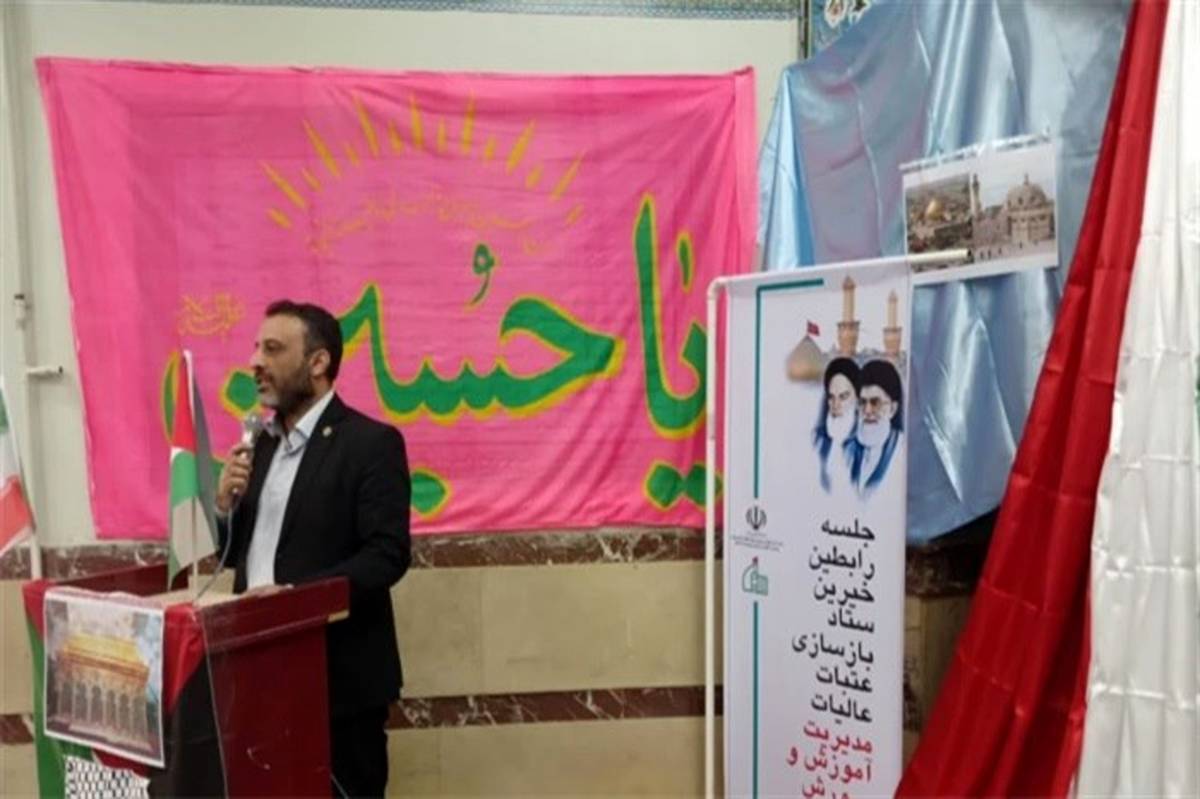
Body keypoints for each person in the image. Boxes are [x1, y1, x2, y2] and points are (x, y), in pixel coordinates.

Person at [216, 300, 411, 798]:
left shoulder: (371, 444)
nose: (255, 362)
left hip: (336, 686)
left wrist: (294, 601)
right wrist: (225, 507)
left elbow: (387, 555)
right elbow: (237, 556)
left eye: (273, 349)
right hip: (257, 678)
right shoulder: (261, 445)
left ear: (318, 362)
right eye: (256, 348)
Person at [845, 359, 903, 498]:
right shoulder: (847, 450)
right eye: (862, 402)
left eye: (875, 403)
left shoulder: (903, 449)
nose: (867, 410)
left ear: (892, 409)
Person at [813, 358, 860, 494]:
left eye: (843, 397)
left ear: (857, 399)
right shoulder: (818, 439)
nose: (836, 405)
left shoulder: (865, 441)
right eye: (831, 397)